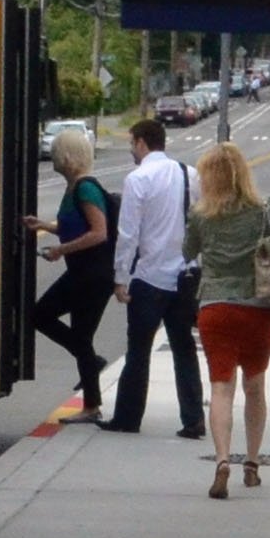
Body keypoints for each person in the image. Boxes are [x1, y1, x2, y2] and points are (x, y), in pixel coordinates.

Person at [186, 140, 270, 499]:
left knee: (221, 387)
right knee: (255, 386)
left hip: (216, 309)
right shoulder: (265, 209)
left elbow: (186, 251)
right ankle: (251, 464)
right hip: (258, 309)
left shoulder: (201, 214)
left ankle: (223, 459)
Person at [104, 116, 204, 438]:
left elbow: (128, 234)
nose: (131, 150)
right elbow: (199, 223)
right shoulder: (190, 175)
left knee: (139, 351)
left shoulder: (138, 179)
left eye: (132, 143)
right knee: (184, 348)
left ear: (142, 143)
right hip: (185, 276)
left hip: (149, 277)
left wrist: (120, 277)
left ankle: (128, 417)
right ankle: (193, 419)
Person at [27, 127, 117, 417]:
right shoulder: (73, 188)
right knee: (81, 335)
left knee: (41, 315)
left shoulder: (86, 187)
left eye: (55, 150)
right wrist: (43, 225)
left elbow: (99, 232)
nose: (51, 156)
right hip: (84, 272)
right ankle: (92, 403)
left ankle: (92, 371)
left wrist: (60, 250)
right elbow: (72, 225)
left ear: (67, 155)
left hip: (93, 274)